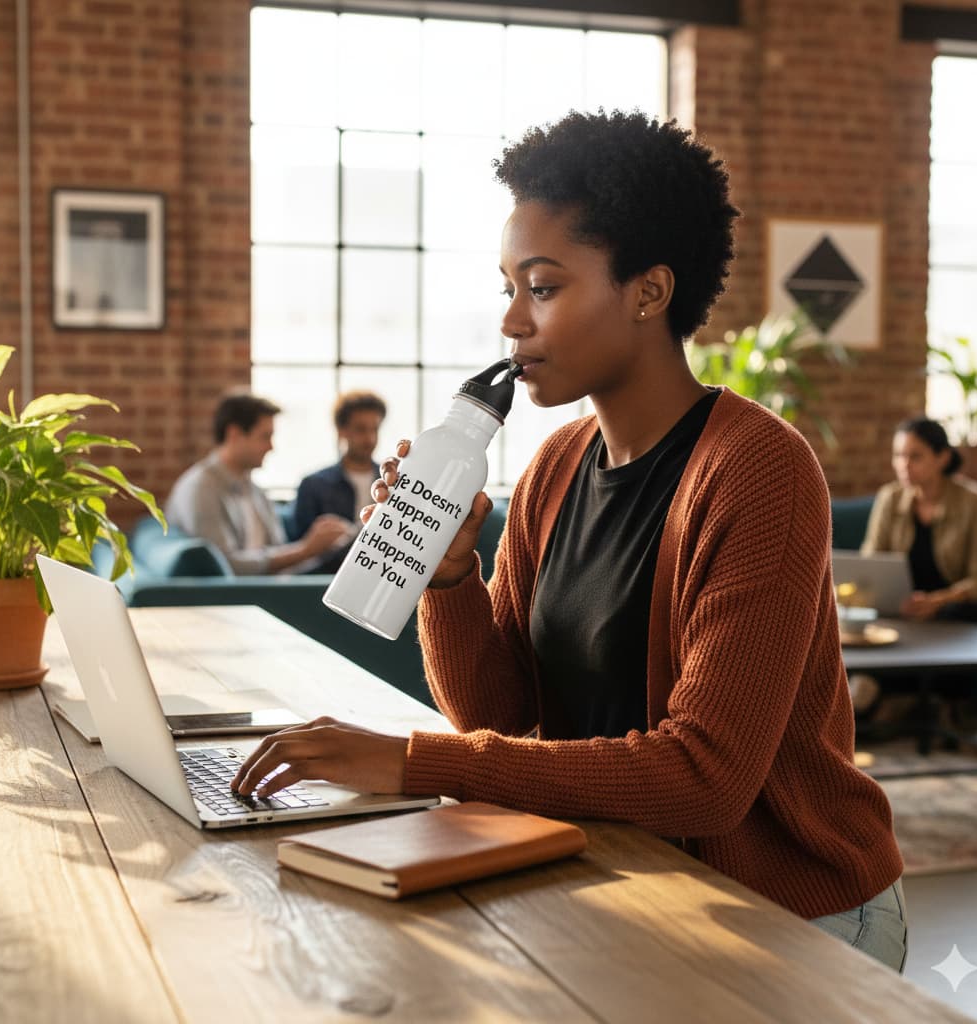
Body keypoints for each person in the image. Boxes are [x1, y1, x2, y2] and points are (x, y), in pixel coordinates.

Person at [233, 110, 906, 969]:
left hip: (789, 911)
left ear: (649, 292)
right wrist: (449, 581)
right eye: (508, 288)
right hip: (631, 876)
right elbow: (503, 720)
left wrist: (409, 762)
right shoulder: (555, 466)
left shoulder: (758, 469)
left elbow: (704, 778)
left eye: (543, 288)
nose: (513, 322)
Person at [166, 392, 352, 575]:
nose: (271, 447)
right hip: (248, 596)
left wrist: (318, 546)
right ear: (235, 434)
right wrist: (305, 550)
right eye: (265, 436)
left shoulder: (252, 488)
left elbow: (278, 549)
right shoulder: (202, 488)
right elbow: (227, 565)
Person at [861, 416, 977, 627]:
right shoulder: (889, 498)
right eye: (899, 455)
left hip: (961, 607)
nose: (904, 465)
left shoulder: (974, 502)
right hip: (905, 608)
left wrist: (938, 601)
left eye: (915, 457)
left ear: (943, 458)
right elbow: (871, 561)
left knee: (955, 613)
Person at [292, 390, 387, 573]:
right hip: (329, 575)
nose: (369, 438)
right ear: (341, 431)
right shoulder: (313, 485)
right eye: (360, 429)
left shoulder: (393, 483)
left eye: (374, 429)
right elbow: (304, 551)